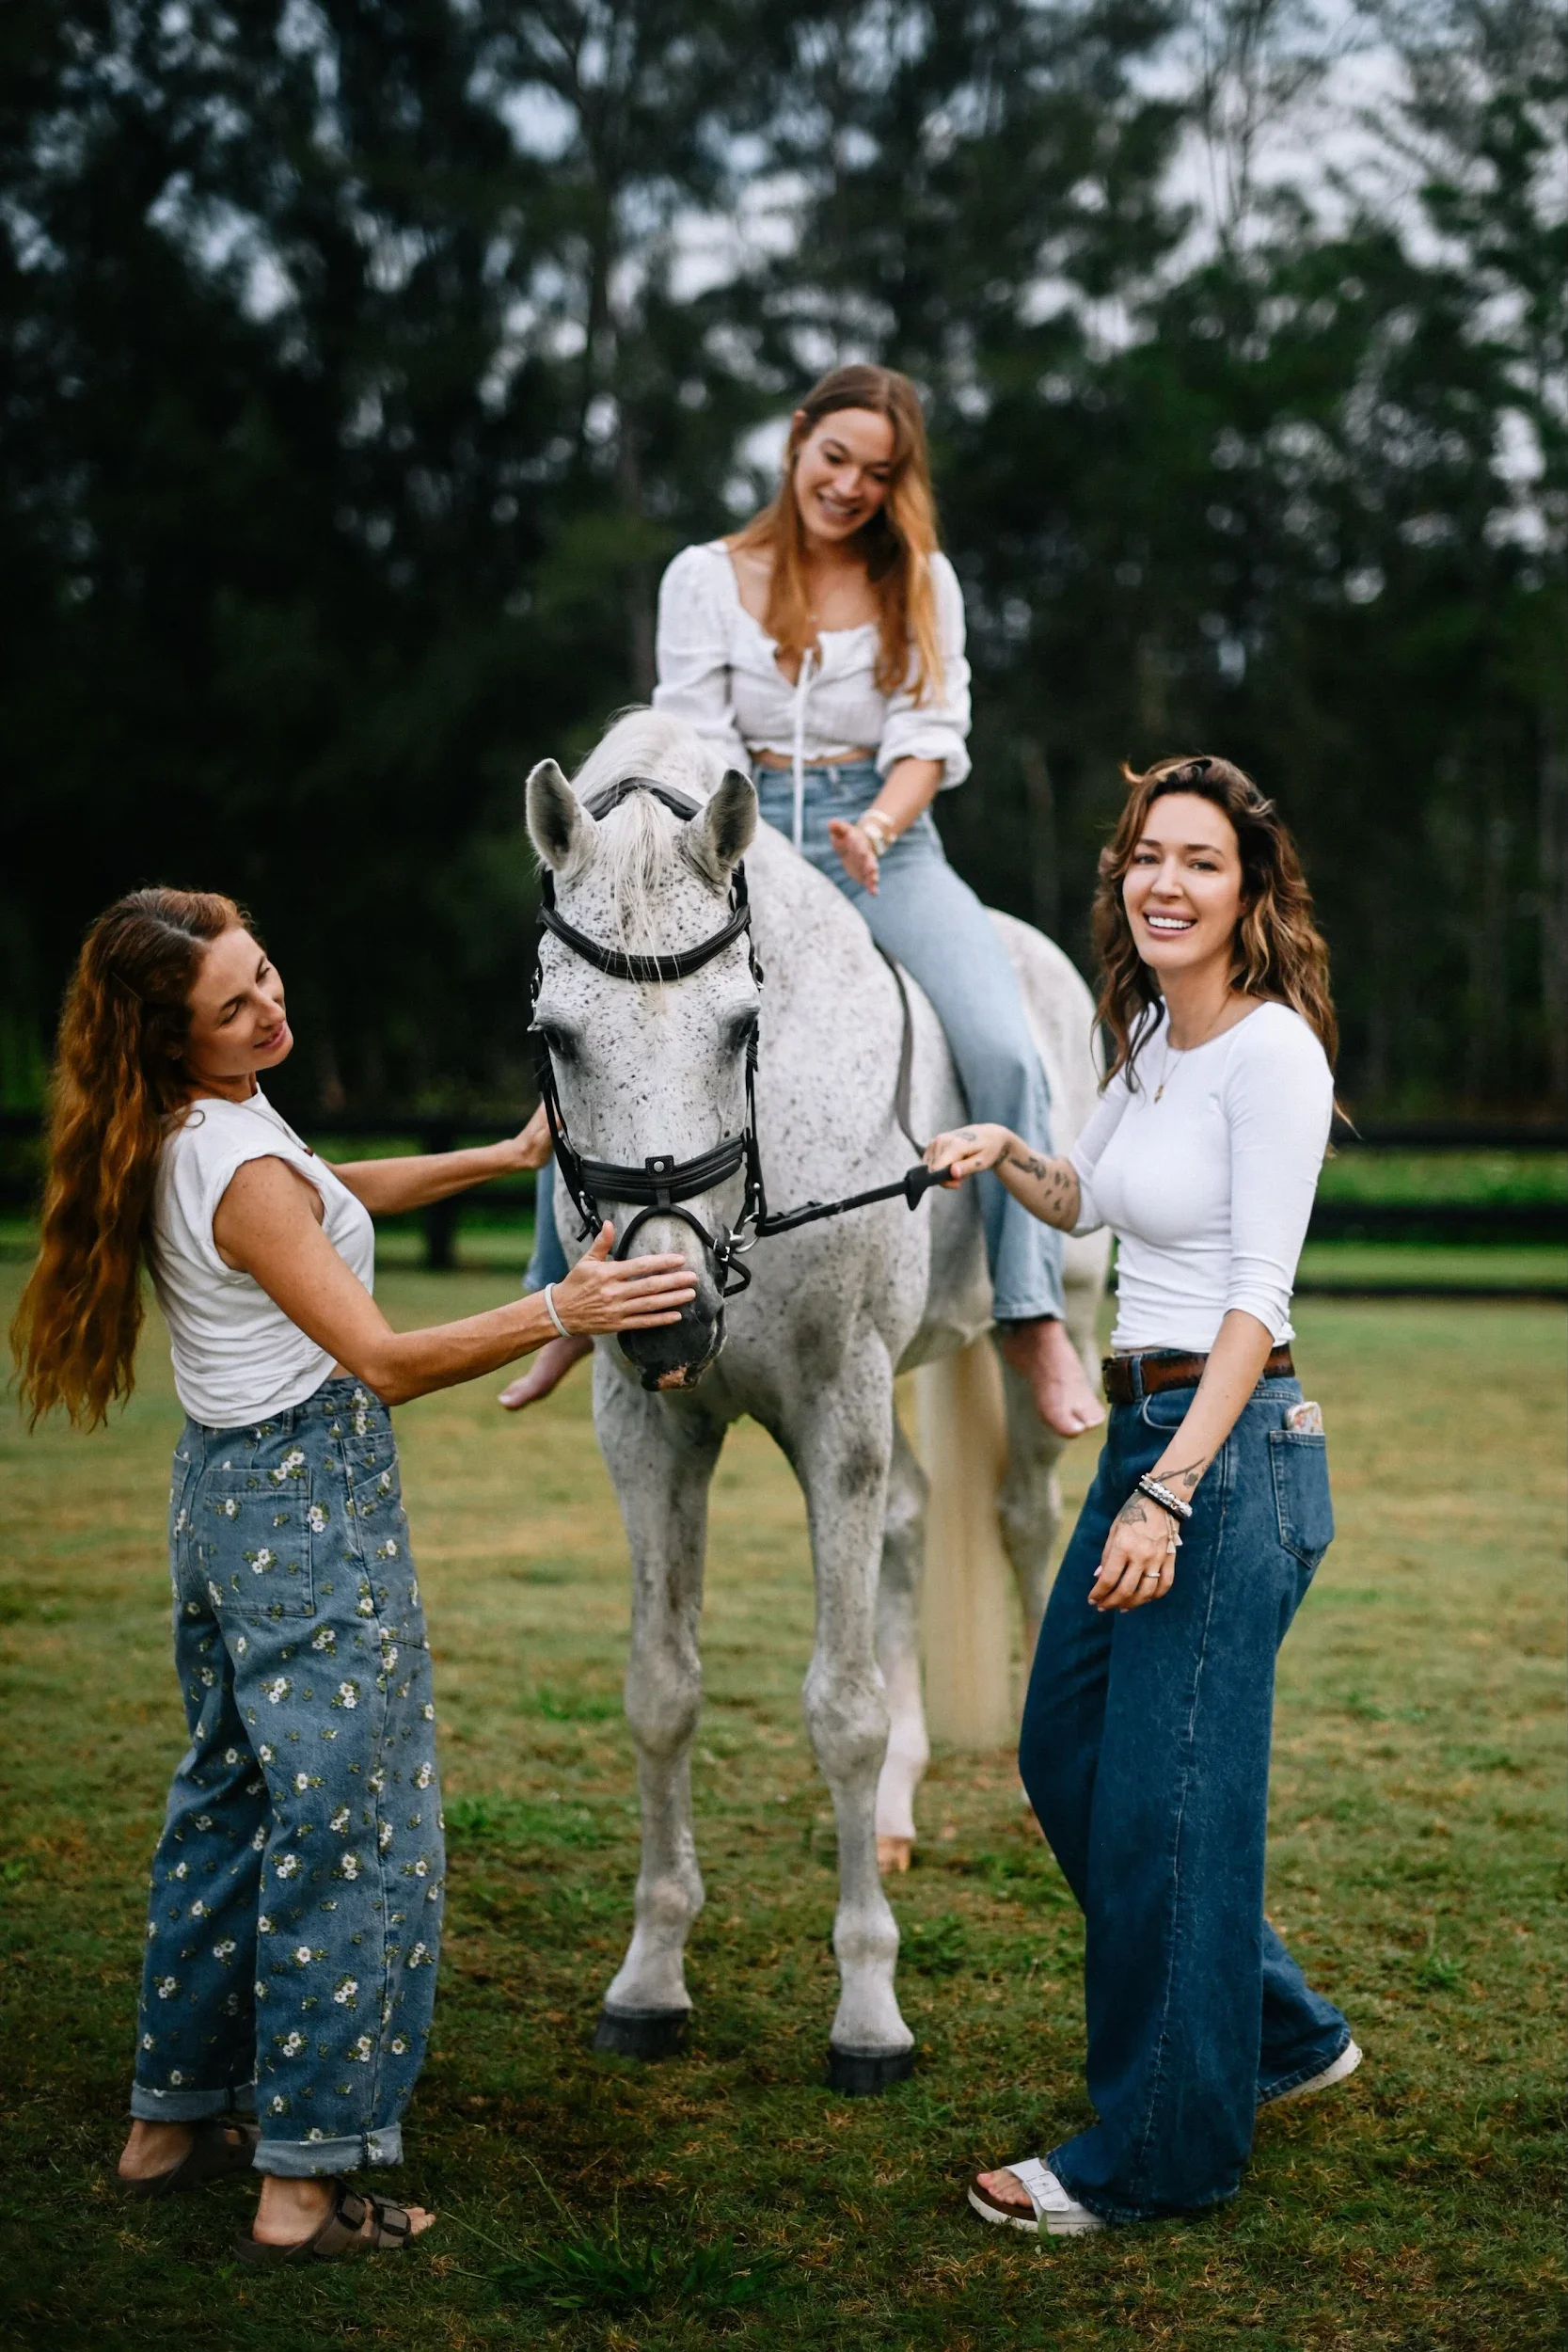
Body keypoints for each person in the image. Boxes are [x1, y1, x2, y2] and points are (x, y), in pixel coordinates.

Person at [10, 888, 695, 2263]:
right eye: (232, 1006)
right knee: (353, 1835)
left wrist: (501, 1160)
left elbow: (329, 1197)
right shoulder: (237, 1164)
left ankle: (169, 2121)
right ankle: (305, 2185)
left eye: (264, 975)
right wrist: (562, 1305)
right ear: (170, 1036)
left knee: (228, 1807)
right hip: (304, 1512)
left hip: (220, 1502)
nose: (268, 1007)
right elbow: (381, 1359)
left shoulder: (206, 1126)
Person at [503, 361, 1102, 1439]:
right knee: (600, 1027)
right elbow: (692, 733)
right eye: (835, 459)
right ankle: (558, 1293)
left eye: (877, 473)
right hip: (725, 840)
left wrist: (871, 827)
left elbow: (929, 740)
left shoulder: (922, 580)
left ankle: (1028, 1309)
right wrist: (743, 847)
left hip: (886, 842)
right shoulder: (703, 575)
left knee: (1005, 1047)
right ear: (796, 442)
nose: (849, 487)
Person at [924, 756, 1359, 2236]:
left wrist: (1164, 1497)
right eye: (1144, 857)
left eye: (1199, 862)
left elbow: (1252, 1295)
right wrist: (1004, 1157)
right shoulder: (1144, 1047)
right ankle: (1285, 2033)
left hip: (1221, 1457)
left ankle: (1159, 2150)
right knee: (1066, 1762)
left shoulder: (1269, 1055)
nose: (1163, 882)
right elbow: (1089, 1200)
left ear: (1248, 894)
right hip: (1143, 1435)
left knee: (1164, 1817)